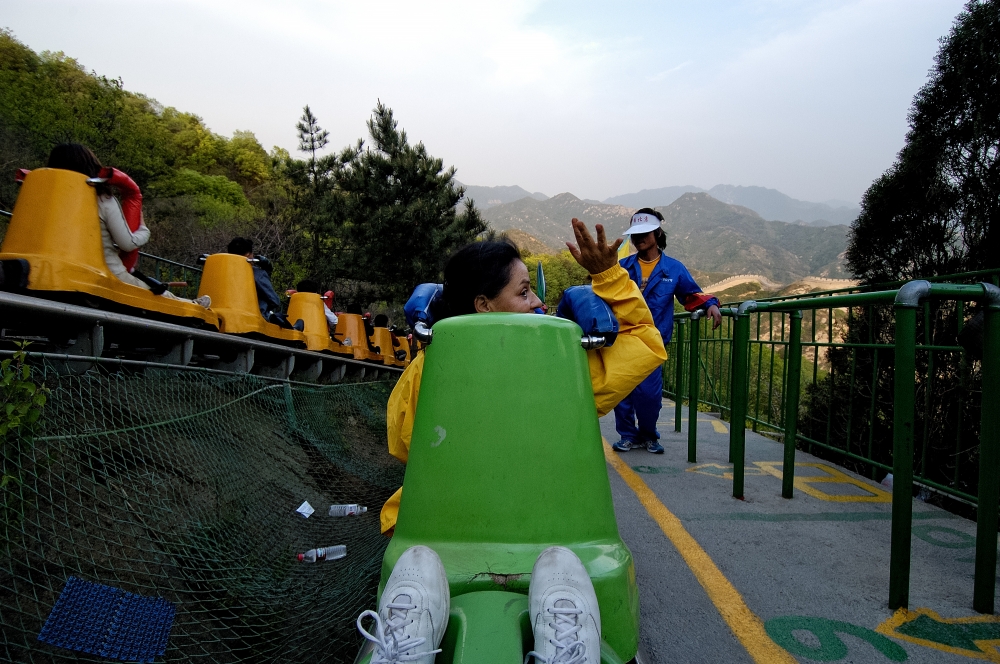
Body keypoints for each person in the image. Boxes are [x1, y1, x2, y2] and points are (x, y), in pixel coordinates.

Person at [359, 218, 663, 663]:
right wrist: (608, 276)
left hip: (439, 534)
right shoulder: (567, 372)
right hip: (556, 533)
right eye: (523, 293)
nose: (538, 302)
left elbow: (405, 445)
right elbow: (646, 343)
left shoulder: (425, 371)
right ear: (483, 304)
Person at [45, 144, 210, 308]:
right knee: (158, 295)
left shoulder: (46, 197)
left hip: (53, 271)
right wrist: (144, 229)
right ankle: (194, 306)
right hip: (106, 274)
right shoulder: (102, 200)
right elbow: (127, 243)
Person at [612, 208, 721, 454]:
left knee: (649, 395)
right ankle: (628, 436)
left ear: (657, 232)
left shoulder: (673, 269)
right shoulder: (623, 267)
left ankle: (649, 435)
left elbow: (691, 294)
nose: (639, 239)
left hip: (653, 342)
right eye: (635, 234)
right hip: (624, 338)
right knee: (623, 393)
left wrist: (710, 305)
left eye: (645, 233)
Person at [227, 237, 281, 318]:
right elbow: (275, 301)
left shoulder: (222, 270)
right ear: (248, 255)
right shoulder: (256, 273)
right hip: (252, 317)